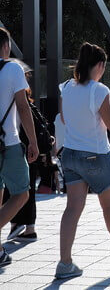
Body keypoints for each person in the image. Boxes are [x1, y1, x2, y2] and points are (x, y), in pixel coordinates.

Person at [56, 42, 110, 279]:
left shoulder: (66, 87)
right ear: (100, 65)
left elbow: (64, 119)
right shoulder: (99, 90)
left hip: (70, 154)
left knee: (72, 209)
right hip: (96, 155)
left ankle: (65, 263)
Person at [0, 27, 39, 267]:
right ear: (5, 46)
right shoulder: (12, 68)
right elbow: (23, 107)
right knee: (21, 193)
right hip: (8, 142)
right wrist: (33, 141)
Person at [3, 75, 53, 243]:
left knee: (15, 190)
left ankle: (16, 224)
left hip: (16, 147)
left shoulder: (15, 102)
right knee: (26, 190)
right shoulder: (28, 102)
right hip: (25, 148)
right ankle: (28, 228)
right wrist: (34, 144)